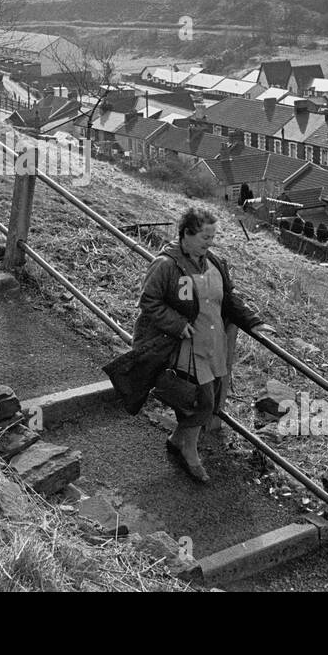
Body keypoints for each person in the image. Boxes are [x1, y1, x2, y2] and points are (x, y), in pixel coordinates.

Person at [133, 206, 271, 483]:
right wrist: (177, 324)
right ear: (186, 234)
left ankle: (177, 439)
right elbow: (148, 302)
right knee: (204, 402)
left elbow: (229, 299)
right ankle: (190, 452)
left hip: (212, 342)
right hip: (184, 346)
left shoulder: (215, 262)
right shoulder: (166, 265)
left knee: (209, 399)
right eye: (205, 237)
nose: (211, 242)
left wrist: (253, 322)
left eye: (213, 236)